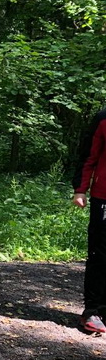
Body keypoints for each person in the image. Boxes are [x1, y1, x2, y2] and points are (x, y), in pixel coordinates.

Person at [72, 106, 106, 334]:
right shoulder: (103, 118)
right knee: (101, 255)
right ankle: (93, 311)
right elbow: (88, 155)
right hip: (104, 197)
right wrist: (80, 189)